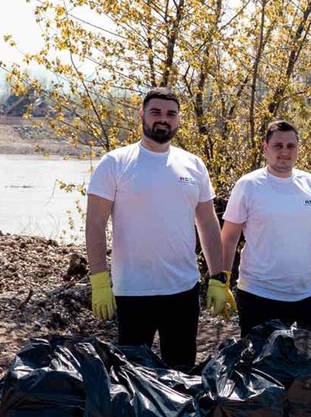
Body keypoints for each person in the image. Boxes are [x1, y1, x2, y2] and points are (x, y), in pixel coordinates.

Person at [85, 86, 231, 370]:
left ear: (178, 120)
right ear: (142, 115)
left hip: (182, 290)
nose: (163, 119)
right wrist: (99, 281)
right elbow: (95, 223)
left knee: (182, 370)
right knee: (131, 375)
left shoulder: (193, 165)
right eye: (155, 112)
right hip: (132, 291)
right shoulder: (115, 162)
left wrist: (218, 277)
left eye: (170, 114)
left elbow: (208, 222)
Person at [219, 120, 311, 337]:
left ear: (297, 149)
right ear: (266, 148)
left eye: (290, 146)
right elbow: (229, 237)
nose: (285, 152)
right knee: (258, 367)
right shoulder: (248, 185)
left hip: (304, 296)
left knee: (301, 366)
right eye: (278, 146)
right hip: (257, 295)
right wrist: (221, 280)